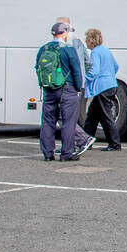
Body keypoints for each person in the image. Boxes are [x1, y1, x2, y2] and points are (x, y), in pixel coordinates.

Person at [36, 22, 93, 161]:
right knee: (68, 122)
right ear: (64, 33)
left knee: (48, 121)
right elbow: (77, 71)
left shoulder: (43, 49)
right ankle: (66, 153)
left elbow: (37, 67)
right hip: (67, 90)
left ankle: (48, 154)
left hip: (49, 90)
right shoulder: (68, 49)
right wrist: (78, 89)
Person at [55, 16, 93, 152]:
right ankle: (69, 145)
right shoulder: (79, 41)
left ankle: (82, 139)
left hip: (68, 84)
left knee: (63, 115)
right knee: (70, 115)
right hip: (79, 83)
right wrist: (82, 77)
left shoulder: (66, 42)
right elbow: (88, 62)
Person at [81, 28, 122, 151]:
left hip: (101, 87)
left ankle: (115, 144)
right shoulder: (105, 50)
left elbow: (95, 70)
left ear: (90, 40)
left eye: (87, 39)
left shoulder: (95, 52)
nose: (86, 42)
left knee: (106, 116)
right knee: (92, 116)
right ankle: (86, 140)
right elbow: (116, 67)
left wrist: (84, 76)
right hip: (111, 84)